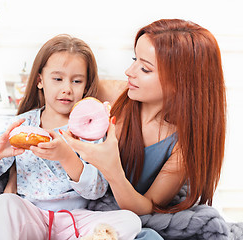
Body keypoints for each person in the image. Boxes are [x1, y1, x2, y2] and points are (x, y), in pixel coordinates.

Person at [0, 34, 142, 240]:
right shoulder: (23, 125)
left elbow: (97, 189)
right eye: (57, 79)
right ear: (40, 81)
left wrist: (66, 156)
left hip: (76, 221)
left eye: (77, 81)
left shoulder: (92, 131)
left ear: (86, 86)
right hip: (31, 216)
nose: (67, 89)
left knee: (130, 221)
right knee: (4, 203)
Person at [60, 18, 226, 216]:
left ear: (181, 82)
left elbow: (146, 208)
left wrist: (113, 171)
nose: (129, 72)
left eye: (145, 68)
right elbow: (47, 111)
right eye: (134, 60)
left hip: (131, 216)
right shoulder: (109, 95)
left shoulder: (184, 145)